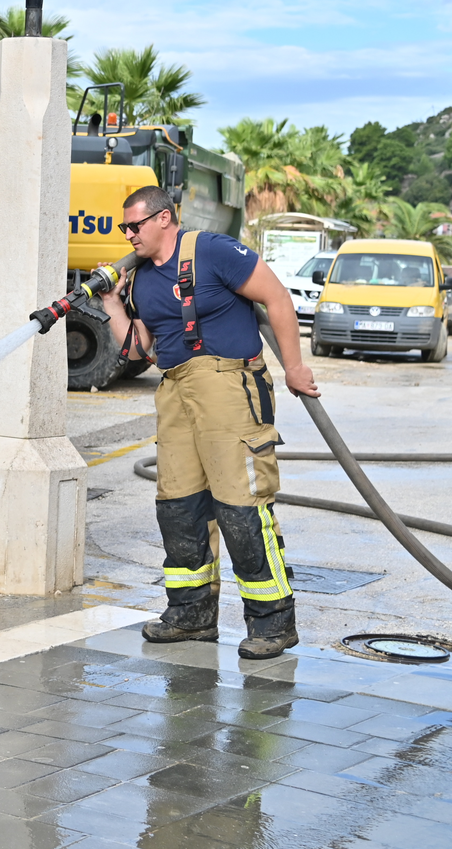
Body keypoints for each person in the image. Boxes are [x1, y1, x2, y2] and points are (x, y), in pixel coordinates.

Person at [100, 186, 319, 659]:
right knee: (179, 506)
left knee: (242, 506)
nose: (128, 235)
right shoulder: (138, 279)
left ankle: (273, 622)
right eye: (125, 228)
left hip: (229, 385)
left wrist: (295, 367)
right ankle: (191, 614)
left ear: (163, 219)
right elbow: (141, 350)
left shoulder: (213, 251)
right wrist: (115, 308)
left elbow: (278, 298)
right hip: (176, 388)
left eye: (133, 226)